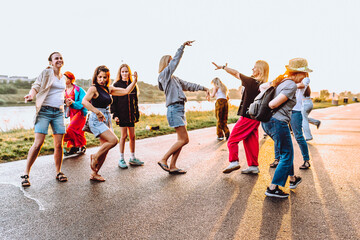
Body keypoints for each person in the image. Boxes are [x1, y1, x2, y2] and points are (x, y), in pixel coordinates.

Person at [261, 58, 312, 198]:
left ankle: (292, 179)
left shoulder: (282, 81)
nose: (306, 76)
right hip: (278, 122)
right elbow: (272, 104)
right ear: (298, 73)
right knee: (287, 155)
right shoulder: (291, 85)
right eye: (305, 73)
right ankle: (273, 188)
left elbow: (262, 88)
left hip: (268, 122)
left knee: (285, 153)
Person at [157, 41, 210, 174]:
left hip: (180, 109)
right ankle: (163, 159)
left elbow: (188, 85)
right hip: (174, 109)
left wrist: (204, 88)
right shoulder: (164, 76)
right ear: (166, 63)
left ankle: (173, 166)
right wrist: (182, 47)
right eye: (170, 61)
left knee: (181, 140)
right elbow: (175, 62)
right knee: (184, 139)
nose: (172, 63)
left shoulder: (174, 79)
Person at [212, 60, 269, 174]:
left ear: (260, 70)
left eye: (254, 67)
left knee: (232, 140)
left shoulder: (251, 81)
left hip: (247, 116)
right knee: (250, 141)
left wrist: (223, 67)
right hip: (256, 117)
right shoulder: (262, 85)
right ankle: (253, 166)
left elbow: (236, 73)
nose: (252, 69)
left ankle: (234, 161)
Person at [82, 65, 137, 181]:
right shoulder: (93, 89)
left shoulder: (108, 89)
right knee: (113, 140)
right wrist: (97, 112)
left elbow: (126, 91)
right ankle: (95, 156)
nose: (102, 80)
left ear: (108, 78)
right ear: (96, 77)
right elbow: (84, 101)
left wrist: (135, 81)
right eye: (100, 77)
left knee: (105, 149)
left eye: (105, 77)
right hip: (96, 119)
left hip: (106, 118)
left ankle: (95, 173)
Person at [21, 52, 68, 187]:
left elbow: (59, 93)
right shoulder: (46, 73)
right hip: (44, 111)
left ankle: (58, 172)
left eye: (60, 58)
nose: (59, 60)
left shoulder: (63, 77)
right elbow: (36, 86)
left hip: (59, 112)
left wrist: (66, 100)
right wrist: (31, 95)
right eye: (56, 58)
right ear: (50, 62)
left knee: (59, 145)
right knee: (38, 144)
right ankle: (26, 174)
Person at [270, 76, 312, 170]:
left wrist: (288, 85)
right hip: (284, 110)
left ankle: (306, 160)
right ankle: (277, 159)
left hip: (296, 111)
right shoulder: (288, 79)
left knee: (298, 136)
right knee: (278, 135)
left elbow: (301, 85)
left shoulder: (305, 78)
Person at [110, 64, 143, 169]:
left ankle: (132, 158)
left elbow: (135, 101)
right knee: (123, 136)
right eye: (122, 71)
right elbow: (113, 102)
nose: (124, 73)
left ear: (129, 73)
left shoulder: (133, 85)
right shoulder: (116, 84)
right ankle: (121, 158)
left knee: (132, 136)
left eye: (126, 71)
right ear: (120, 73)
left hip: (131, 114)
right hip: (121, 114)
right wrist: (115, 115)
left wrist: (136, 113)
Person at [63, 71, 88, 156]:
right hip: (71, 113)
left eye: (65, 78)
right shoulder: (64, 90)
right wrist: (65, 103)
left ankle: (79, 145)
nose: (63, 80)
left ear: (70, 79)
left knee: (70, 129)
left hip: (80, 113)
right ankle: (75, 147)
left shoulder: (78, 90)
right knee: (76, 131)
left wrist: (73, 103)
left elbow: (83, 102)